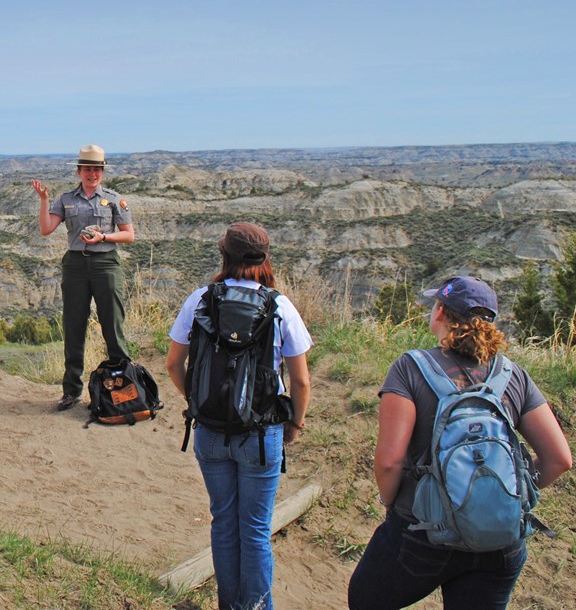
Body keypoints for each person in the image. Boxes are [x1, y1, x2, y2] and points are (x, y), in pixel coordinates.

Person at [348, 276, 573, 610]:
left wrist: (392, 503)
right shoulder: (513, 375)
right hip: (500, 542)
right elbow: (559, 459)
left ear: (440, 312)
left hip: (422, 533)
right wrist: (508, 497)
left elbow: (389, 462)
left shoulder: (410, 369)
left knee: (365, 601)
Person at [166, 222, 312, 610]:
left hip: (210, 431)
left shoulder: (200, 299)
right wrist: (294, 424)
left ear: (224, 256)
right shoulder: (279, 306)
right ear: (264, 258)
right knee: (256, 530)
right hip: (262, 435)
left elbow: (173, 363)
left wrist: (197, 399)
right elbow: (300, 381)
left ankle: (228, 605)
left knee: (224, 522)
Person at [32, 145, 135, 411]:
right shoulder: (66, 200)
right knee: (73, 326)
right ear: (79, 171)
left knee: (112, 324)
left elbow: (128, 235)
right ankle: (71, 391)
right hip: (76, 265)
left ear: (102, 171)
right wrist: (44, 200)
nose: (93, 174)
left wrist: (104, 237)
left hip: (106, 263)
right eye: (88, 169)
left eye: (97, 169)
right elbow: (46, 229)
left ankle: (122, 388)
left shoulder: (114, 199)